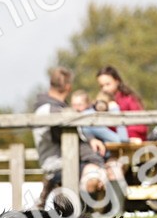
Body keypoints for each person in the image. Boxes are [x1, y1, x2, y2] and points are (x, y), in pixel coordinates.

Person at [33, 67, 111, 207]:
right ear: (68, 87)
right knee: (95, 175)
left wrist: (91, 140)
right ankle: (80, 214)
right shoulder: (55, 111)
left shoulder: (45, 107)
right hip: (61, 164)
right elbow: (72, 143)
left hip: (54, 163)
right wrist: (98, 162)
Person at [95, 65, 147, 141]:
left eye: (107, 84)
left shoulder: (129, 99)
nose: (104, 89)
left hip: (131, 140)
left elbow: (141, 126)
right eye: (101, 86)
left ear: (117, 81)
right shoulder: (100, 102)